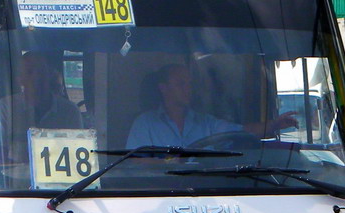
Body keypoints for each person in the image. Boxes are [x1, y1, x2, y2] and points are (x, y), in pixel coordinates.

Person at [125, 61, 295, 148]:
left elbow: (242, 131)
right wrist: (168, 162)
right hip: (158, 195)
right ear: (164, 88)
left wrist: (274, 124)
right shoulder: (144, 124)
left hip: (208, 192)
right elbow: (135, 161)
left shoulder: (206, 123)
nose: (188, 89)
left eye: (189, 84)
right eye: (181, 84)